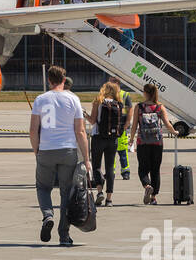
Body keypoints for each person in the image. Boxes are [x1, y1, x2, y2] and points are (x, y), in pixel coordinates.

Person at [30, 65, 90, 246]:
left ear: (49, 80)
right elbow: (80, 132)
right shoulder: (73, 100)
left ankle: (47, 214)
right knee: (66, 193)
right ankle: (64, 235)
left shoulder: (40, 100)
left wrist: (37, 151)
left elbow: (33, 130)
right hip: (68, 150)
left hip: (46, 150)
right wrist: (86, 159)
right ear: (64, 80)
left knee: (42, 187)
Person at [126, 83, 176, 205]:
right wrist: (174, 131)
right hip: (157, 143)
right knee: (155, 169)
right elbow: (167, 124)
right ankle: (153, 197)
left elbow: (134, 126)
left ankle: (147, 185)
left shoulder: (139, 107)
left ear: (145, 93)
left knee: (142, 169)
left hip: (142, 142)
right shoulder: (159, 107)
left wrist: (131, 139)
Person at [89, 82, 125, 205]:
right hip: (113, 139)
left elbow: (93, 121)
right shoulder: (119, 104)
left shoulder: (98, 101)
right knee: (110, 167)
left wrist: (84, 115)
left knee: (96, 166)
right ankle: (109, 199)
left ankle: (99, 191)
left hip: (98, 137)